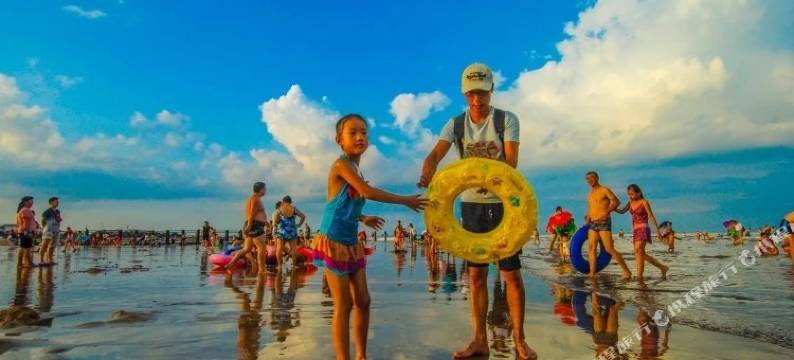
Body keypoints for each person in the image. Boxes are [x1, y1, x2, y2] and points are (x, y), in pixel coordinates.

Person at [417, 63, 536, 359]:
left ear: (491, 90)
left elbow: (512, 164)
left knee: (511, 275)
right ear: (465, 94)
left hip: (504, 206)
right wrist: (429, 168)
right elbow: (435, 154)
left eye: (482, 92)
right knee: (476, 277)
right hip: (471, 206)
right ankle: (479, 339)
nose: (477, 100)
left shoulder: (506, 120)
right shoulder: (456, 125)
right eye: (471, 94)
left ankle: (520, 340)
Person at [312, 113, 427, 360]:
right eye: (352, 132)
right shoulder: (340, 164)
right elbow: (364, 191)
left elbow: (347, 203)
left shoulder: (356, 169)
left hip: (352, 241)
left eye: (363, 132)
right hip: (332, 240)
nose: (360, 136)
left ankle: (361, 355)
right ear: (338, 140)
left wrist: (364, 218)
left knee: (363, 301)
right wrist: (405, 201)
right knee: (342, 305)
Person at [615, 184, 668, 284]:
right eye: (628, 194)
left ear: (638, 193)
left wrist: (658, 232)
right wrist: (612, 208)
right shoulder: (630, 202)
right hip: (635, 230)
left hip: (643, 228)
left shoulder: (644, 202)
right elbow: (622, 211)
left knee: (638, 250)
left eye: (632, 194)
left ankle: (640, 276)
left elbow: (651, 217)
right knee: (639, 253)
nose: (630, 196)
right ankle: (661, 268)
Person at [584, 171, 632, 280]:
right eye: (587, 179)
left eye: (592, 178)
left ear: (597, 178)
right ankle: (592, 273)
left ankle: (627, 271)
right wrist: (587, 218)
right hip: (592, 223)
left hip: (603, 222)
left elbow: (616, 202)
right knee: (591, 248)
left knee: (609, 248)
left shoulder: (604, 190)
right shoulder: (590, 194)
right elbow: (590, 208)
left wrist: (607, 211)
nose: (590, 180)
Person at [226, 182, 270, 274]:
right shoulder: (255, 198)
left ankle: (231, 264)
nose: (266, 191)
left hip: (253, 224)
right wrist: (250, 226)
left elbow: (256, 213)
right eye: (265, 189)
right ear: (261, 189)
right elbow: (251, 213)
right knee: (261, 248)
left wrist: (265, 222)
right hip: (254, 225)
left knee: (247, 249)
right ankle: (262, 270)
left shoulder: (253, 198)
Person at [273, 196, 306, 269]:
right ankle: (294, 266)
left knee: (279, 248)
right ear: (290, 202)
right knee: (293, 249)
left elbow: (276, 220)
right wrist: (299, 224)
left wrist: (277, 221)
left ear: (283, 201)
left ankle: (280, 266)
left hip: (282, 231)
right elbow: (303, 216)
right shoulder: (293, 208)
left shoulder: (280, 208)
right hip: (292, 230)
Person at [16, 196, 39, 268]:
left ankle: (23, 263)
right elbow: (26, 223)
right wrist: (30, 232)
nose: (32, 203)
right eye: (30, 201)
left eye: (32, 202)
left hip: (22, 231)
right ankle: (26, 263)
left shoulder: (22, 210)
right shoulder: (26, 210)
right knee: (25, 248)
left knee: (24, 248)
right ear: (25, 202)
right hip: (26, 231)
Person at [40, 197, 61, 265]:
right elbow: (43, 221)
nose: (57, 202)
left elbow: (58, 220)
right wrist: (45, 228)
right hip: (48, 229)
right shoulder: (47, 211)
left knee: (52, 246)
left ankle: (50, 260)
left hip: (56, 230)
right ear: (51, 203)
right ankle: (41, 260)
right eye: (56, 201)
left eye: (57, 201)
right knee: (44, 244)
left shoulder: (58, 211)